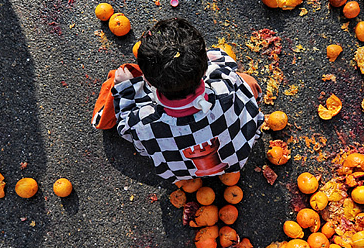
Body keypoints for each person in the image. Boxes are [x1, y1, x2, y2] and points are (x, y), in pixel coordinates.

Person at [106, 18, 264, 183]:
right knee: (248, 82)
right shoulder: (225, 85)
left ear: (147, 81)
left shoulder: (144, 123)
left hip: (182, 172)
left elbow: (129, 131)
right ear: (203, 70)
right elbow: (224, 62)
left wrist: (125, 87)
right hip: (236, 158)